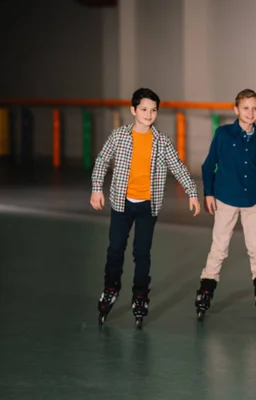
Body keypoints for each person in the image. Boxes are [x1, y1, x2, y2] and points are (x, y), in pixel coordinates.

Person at [90, 87, 200, 328]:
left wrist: (192, 192)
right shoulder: (119, 136)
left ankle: (140, 295)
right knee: (115, 249)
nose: (149, 114)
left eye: (153, 110)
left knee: (142, 253)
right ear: (133, 110)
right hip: (121, 203)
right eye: (144, 110)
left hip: (148, 206)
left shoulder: (161, 142)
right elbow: (101, 160)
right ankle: (111, 288)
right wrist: (97, 188)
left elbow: (178, 167)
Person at [195, 88, 256, 321]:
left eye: (255, 108)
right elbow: (208, 165)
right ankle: (206, 288)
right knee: (219, 246)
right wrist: (208, 193)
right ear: (236, 110)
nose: (250, 113)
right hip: (225, 200)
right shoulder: (223, 134)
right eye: (246, 108)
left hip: (251, 201)